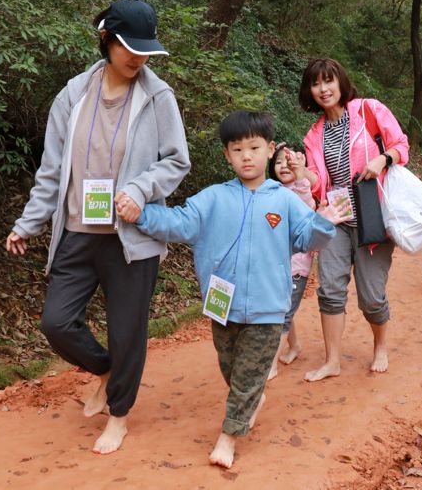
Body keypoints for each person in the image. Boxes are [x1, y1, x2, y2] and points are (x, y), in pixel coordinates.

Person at [5, 0, 191, 454]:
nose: (138, 57)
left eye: (146, 50)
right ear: (106, 39)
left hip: (132, 239)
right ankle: (108, 372)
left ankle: (120, 416)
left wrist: (141, 189)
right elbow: (51, 171)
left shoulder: (158, 96)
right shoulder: (73, 95)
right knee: (56, 322)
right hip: (78, 232)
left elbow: (177, 161)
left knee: (128, 330)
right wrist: (27, 224)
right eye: (130, 47)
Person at [125, 111, 348, 468]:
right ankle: (250, 399)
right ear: (226, 155)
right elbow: (179, 222)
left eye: (255, 147)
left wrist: (324, 224)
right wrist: (141, 215)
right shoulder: (213, 198)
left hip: (269, 308)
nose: (247, 155)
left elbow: (308, 238)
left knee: (247, 375)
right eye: (237, 149)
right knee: (230, 368)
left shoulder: (285, 200)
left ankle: (228, 437)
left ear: (269, 149)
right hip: (221, 304)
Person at [299, 58, 410, 382]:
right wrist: (300, 171)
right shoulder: (313, 134)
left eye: (328, 81)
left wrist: (381, 158)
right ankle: (332, 360)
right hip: (337, 219)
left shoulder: (368, 110)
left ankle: (380, 345)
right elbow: (319, 181)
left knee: (371, 297)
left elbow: (401, 145)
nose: (323, 89)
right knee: (330, 290)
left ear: (340, 82)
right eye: (316, 84)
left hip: (373, 217)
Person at [266, 142, 316, 379]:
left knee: (282, 314)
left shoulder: (301, 190)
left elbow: (306, 204)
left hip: (296, 267)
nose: (283, 165)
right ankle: (294, 346)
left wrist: (300, 176)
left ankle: (271, 364)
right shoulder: (270, 190)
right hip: (275, 265)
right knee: (284, 309)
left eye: (289, 161)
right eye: (278, 161)